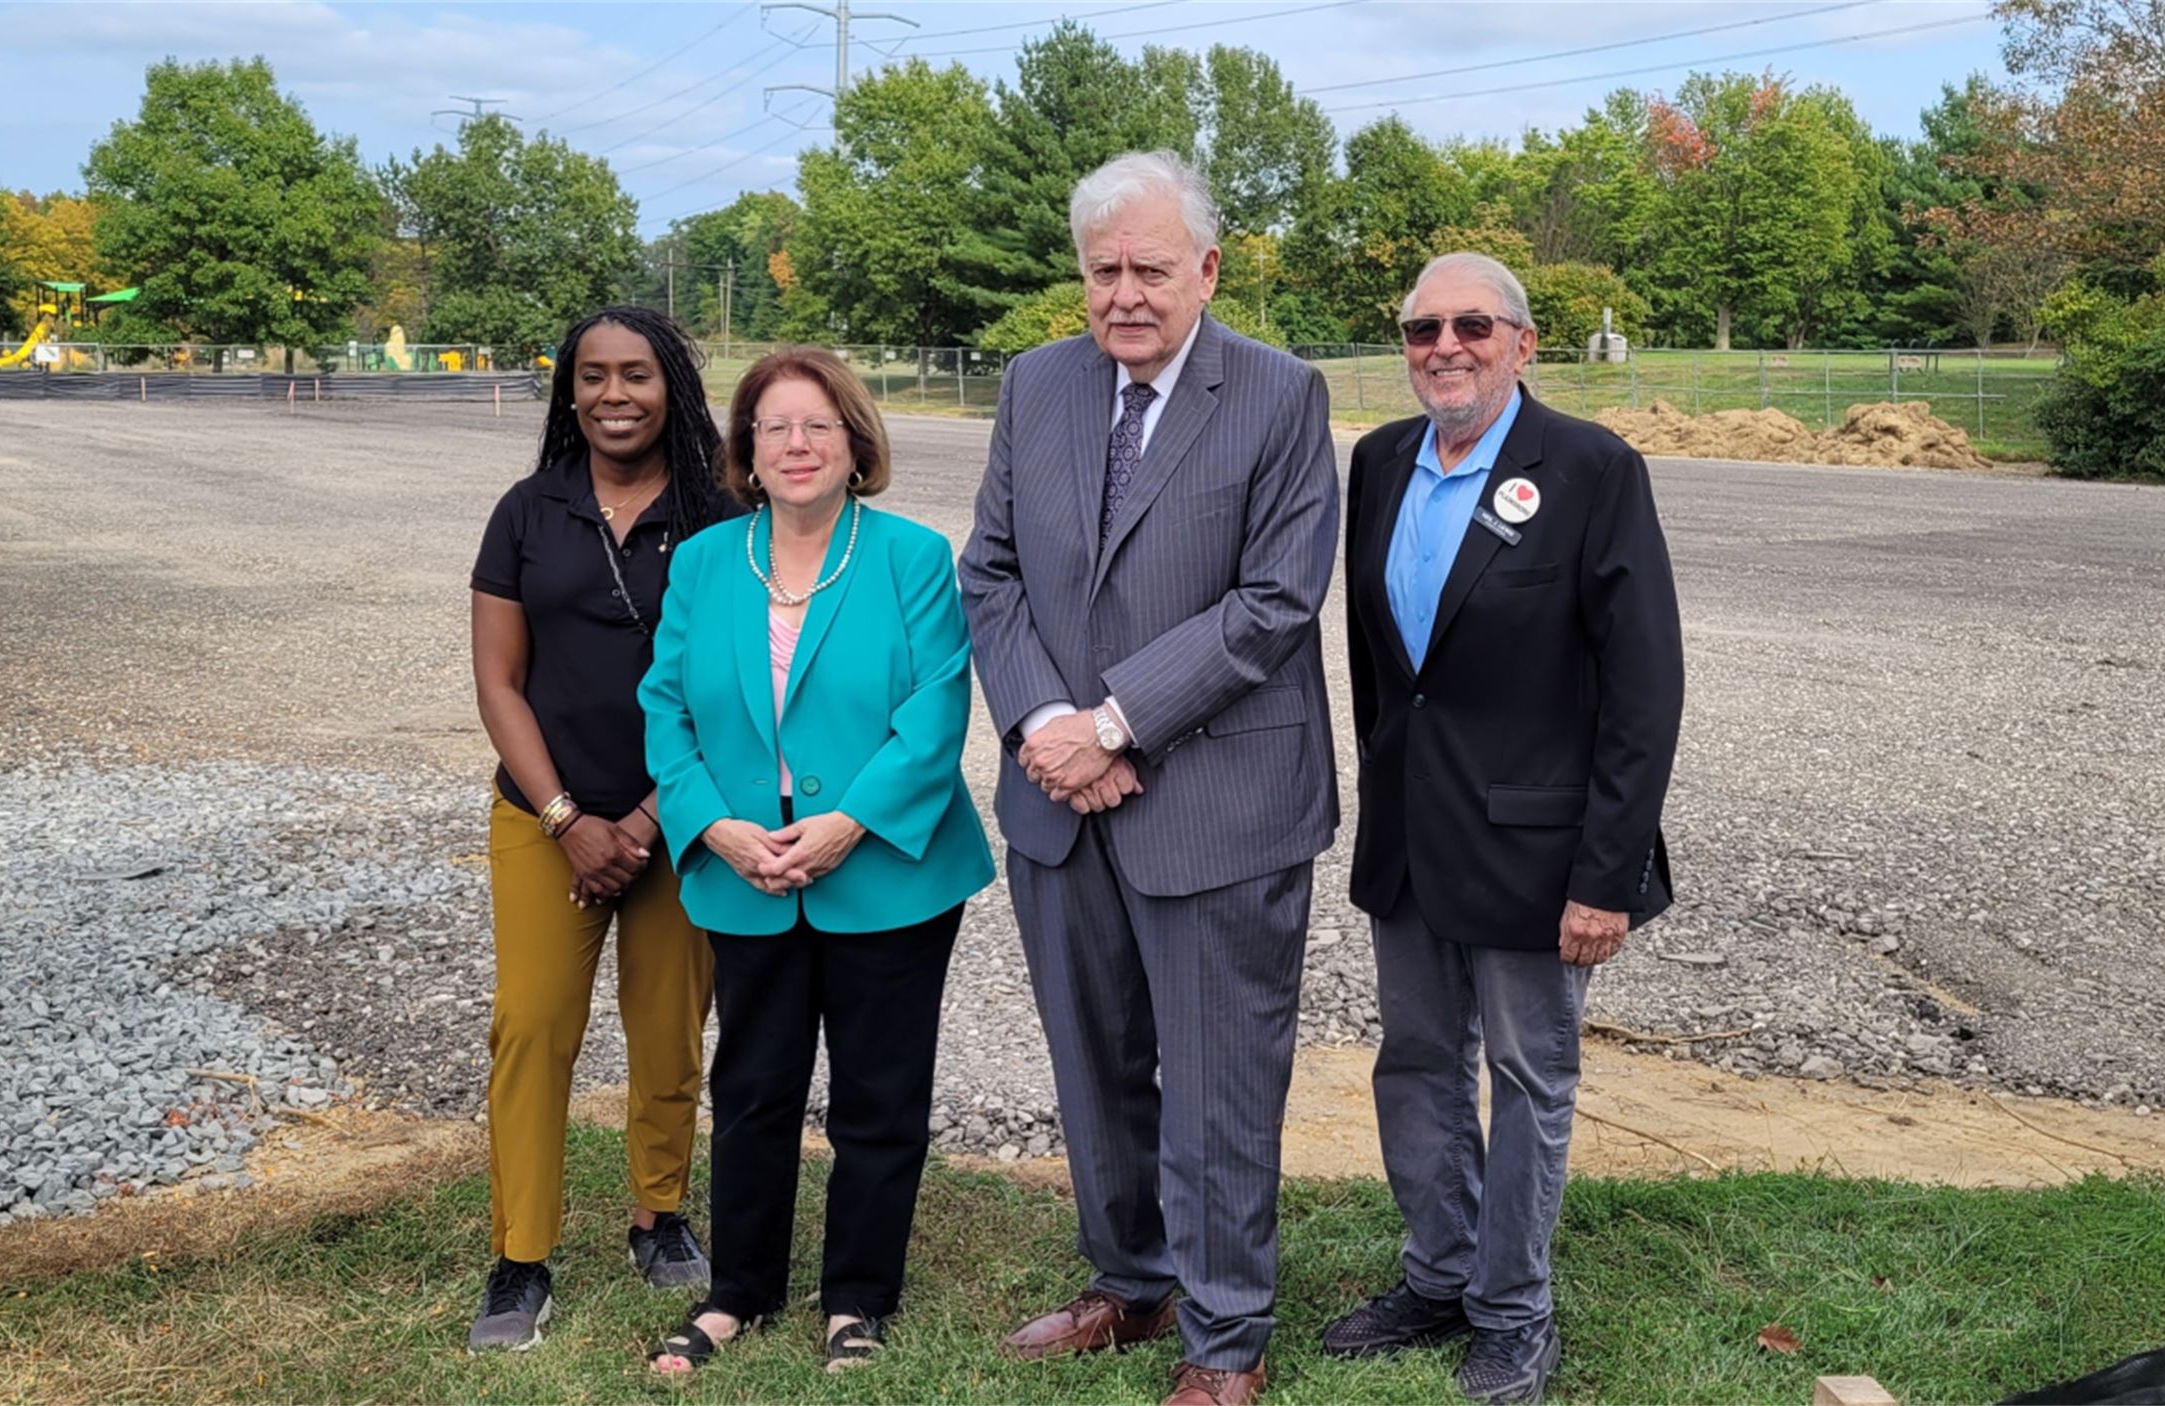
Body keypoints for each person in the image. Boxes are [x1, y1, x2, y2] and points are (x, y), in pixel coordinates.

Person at [958, 150, 1340, 1406]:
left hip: (1217, 803)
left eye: (1150, 269)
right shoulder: (1036, 385)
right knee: (1092, 1057)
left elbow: (1276, 601)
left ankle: (1225, 1337)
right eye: (1102, 269)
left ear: (1206, 269)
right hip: (1055, 801)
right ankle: (1130, 1281)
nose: (1124, 294)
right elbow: (992, 573)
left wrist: (1115, 724)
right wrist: (1048, 725)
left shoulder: (1280, 395)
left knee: (1221, 1076)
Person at [1326, 252, 1685, 1404]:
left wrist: (1607, 873)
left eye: (1470, 324)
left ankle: (1512, 1307)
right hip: (1412, 840)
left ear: (1522, 343)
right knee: (1418, 1062)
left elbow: (1643, 688)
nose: (1443, 345)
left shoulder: (1589, 468)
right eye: (1420, 327)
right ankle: (1436, 1273)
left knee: (1530, 1075)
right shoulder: (1378, 461)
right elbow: (1382, 673)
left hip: (1541, 852)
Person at [638, 347, 994, 1378]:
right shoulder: (706, 561)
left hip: (883, 865)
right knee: (751, 1084)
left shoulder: (912, 555)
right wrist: (710, 825)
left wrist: (847, 823)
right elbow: (663, 705)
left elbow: (935, 711)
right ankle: (736, 1291)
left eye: (817, 425)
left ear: (853, 442)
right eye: (774, 427)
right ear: (746, 449)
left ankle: (857, 1297)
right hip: (742, 865)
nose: (796, 445)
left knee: (879, 1092)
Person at [465, 306, 736, 1353]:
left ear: (671, 383)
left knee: (669, 1026)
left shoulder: (719, 516)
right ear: (565, 389)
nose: (612, 394)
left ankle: (658, 1214)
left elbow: (729, 689)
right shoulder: (526, 512)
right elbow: (498, 681)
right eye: (591, 375)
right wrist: (570, 819)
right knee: (531, 1026)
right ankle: (519, 1257)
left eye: (635, 373)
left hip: (678, 819)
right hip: (543, 816)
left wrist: (648, 821)